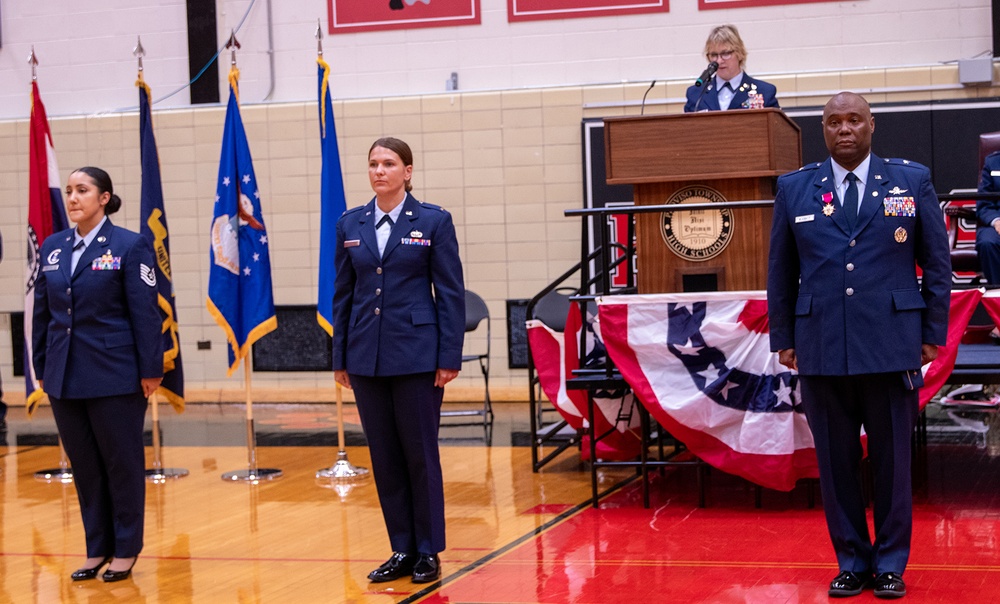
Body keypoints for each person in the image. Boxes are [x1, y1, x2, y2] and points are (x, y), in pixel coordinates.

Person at [767, 92, 951, 599]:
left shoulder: (910, 181)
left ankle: (890, 563)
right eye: (833, 122)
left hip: (892, 345)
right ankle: (851, 559)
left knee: (893, 465)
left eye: (853, 120)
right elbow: (780, 271)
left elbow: (937, 264)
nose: (844, 129)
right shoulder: (796, 188)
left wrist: (932, 333)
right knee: (836, 463)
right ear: (822, 130)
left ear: (872, 125)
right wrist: (783, 336)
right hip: (822, 346)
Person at [332, 137, 465, 584]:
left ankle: (428, 549)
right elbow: (343, 296)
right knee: (385, 457)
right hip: (366, 356)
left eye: (389, 163)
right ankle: (402, 547)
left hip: (416, 356)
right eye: (373, 164)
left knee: (420, 456)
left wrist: (449, 356)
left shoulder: (432, 221)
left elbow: (449, 293)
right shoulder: (351, 222)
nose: (379, 171)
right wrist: (340, 357)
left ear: (407, 171)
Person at [32, 167, 162, 583]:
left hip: (115, 375)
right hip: (64, 375)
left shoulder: (129, 244)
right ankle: (97, 548)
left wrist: (151, 369)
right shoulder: (53, 248)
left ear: (104, 197)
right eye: (69, 191)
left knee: (120, 463)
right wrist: (42, 367)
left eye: (82, 190)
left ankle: (125, 549)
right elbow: (43, 315)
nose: (72, 198)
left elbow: (145, 313)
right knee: (85, 466)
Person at [684, 24, 779, 113]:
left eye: (725, 54)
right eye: (714, 55)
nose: (719, 61)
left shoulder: (764, 92)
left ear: (739, 53)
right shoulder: (696, 94)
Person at [975, 151, 1000, 283]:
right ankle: (997, 296)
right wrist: (996, 221)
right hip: (997, 222)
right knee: (987, 242)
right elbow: (983, 203)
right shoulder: (993, 162)